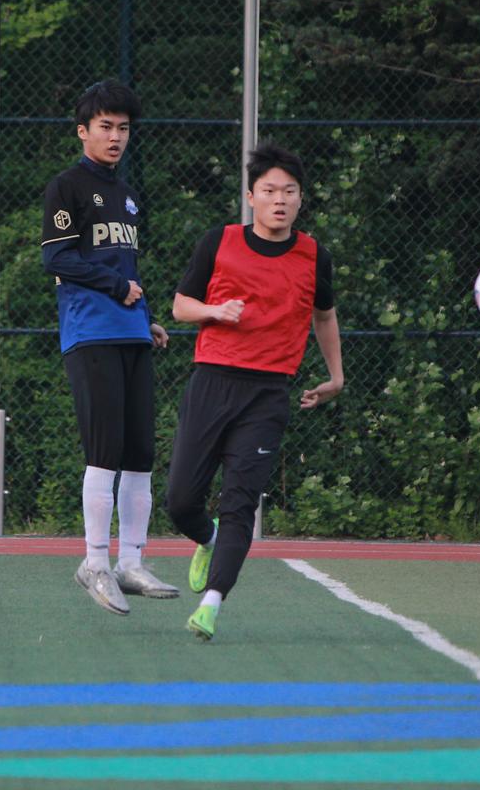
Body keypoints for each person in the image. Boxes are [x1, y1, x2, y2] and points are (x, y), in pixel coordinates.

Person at [166, 143, 344, 640]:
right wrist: (214, 311)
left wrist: (336, 377)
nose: (279, 200)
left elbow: (324, 316)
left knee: (240, 503)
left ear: (301, 198)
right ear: (251, 197)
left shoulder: (314, 256)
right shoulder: (218, 242)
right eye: (269, 191)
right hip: (212, 381)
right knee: (180, 501)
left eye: (289, 191)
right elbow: (180, 306)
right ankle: (206, 540)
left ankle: (211, 604)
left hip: (267, 394)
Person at [41, 79, 178, 615]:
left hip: (130, 332)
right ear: (83, 131)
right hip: (90, 333)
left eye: (123, 128)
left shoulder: (126, 195)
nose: (116, 136)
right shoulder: (67, 187)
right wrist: (118, 289)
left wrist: (146, 318)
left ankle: (131, 562)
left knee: (140, 452)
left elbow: (127, 268)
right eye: (105, 127)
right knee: (105, 451)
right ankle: (95, 563)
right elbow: (57, 258)